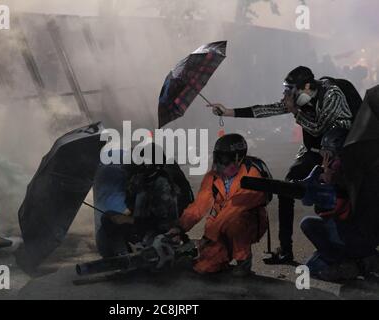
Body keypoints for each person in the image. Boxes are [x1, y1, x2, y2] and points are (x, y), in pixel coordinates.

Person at [209, 66, 355, 264]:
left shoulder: (331, 95)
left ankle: (349, 248)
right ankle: (286, 250)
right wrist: (228, 112)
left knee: (340, 199)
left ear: (305, 87)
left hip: (341, 154)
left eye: (290, 90)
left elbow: (320, 128)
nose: (286, 95)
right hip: (313, 152)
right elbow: (267, 110)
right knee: (288, 188)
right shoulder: (297, 99)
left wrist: (296, 112)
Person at [168, 134, 269, 276]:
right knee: (203, 267)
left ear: (238, 158)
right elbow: (199, 205)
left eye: (225, 159)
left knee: (235, 222)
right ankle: (223, 258)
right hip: (220, 225)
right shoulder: (213, 176)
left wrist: (206, 239)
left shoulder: (252, 176)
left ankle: (243, 261)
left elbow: (232, 210)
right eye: (218, 157)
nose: (220, 163)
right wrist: (179, 228)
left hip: (248, 222)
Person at [300, 127, 379, 281]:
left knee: (309, 228)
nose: (325, 160)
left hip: (357, 234)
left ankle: (358, 263)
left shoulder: (346, 176)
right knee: (313, 265)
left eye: (328, 154)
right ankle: (361, 259)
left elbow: (329, 210)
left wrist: (328, 183)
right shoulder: (355, 170)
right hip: (360, 232)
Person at [99, 143, 186, 257]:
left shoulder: (162, 184)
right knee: (108, 217)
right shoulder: (142, 179)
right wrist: (124, 215)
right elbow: (133, 205)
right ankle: (121, 254)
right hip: (141, 225)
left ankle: (128, 256)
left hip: (157, 231)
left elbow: (161, 222)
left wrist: (128, 220)